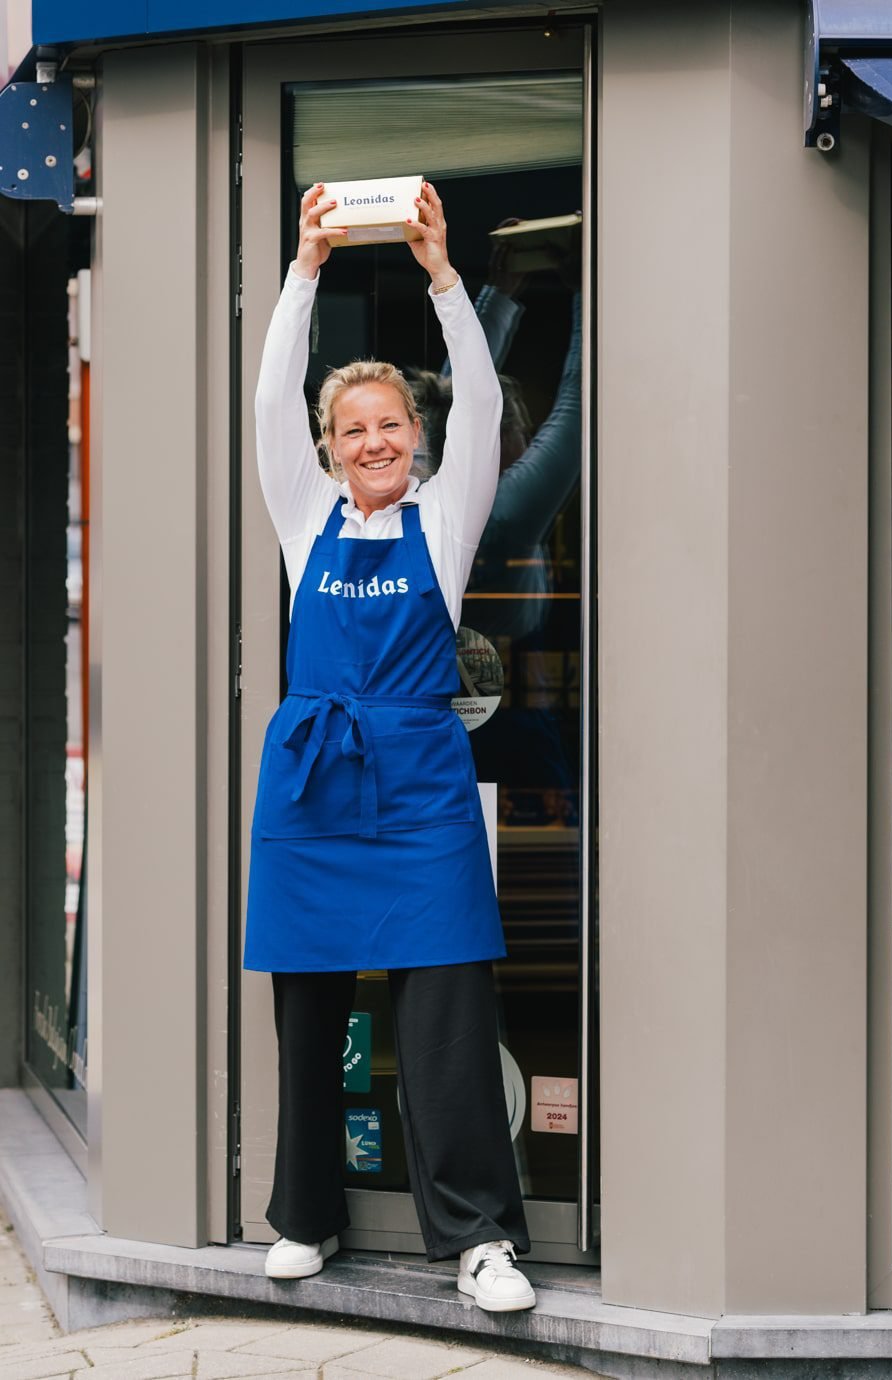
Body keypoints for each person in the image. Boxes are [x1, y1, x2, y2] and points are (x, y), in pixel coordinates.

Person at [243, 180, 535, 1313]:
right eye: (352, 429)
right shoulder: (302, 518)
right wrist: (303, 270)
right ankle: (304, 1217)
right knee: (308, 1012)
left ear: (418, 438)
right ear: (327, 451)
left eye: (391, 425)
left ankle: (479, 1240)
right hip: (315, 779)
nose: (373, 441)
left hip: (418, 784)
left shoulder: (447, 519)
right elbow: (269, 397)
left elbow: (480, 398)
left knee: (447, 1010)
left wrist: (444, 276)